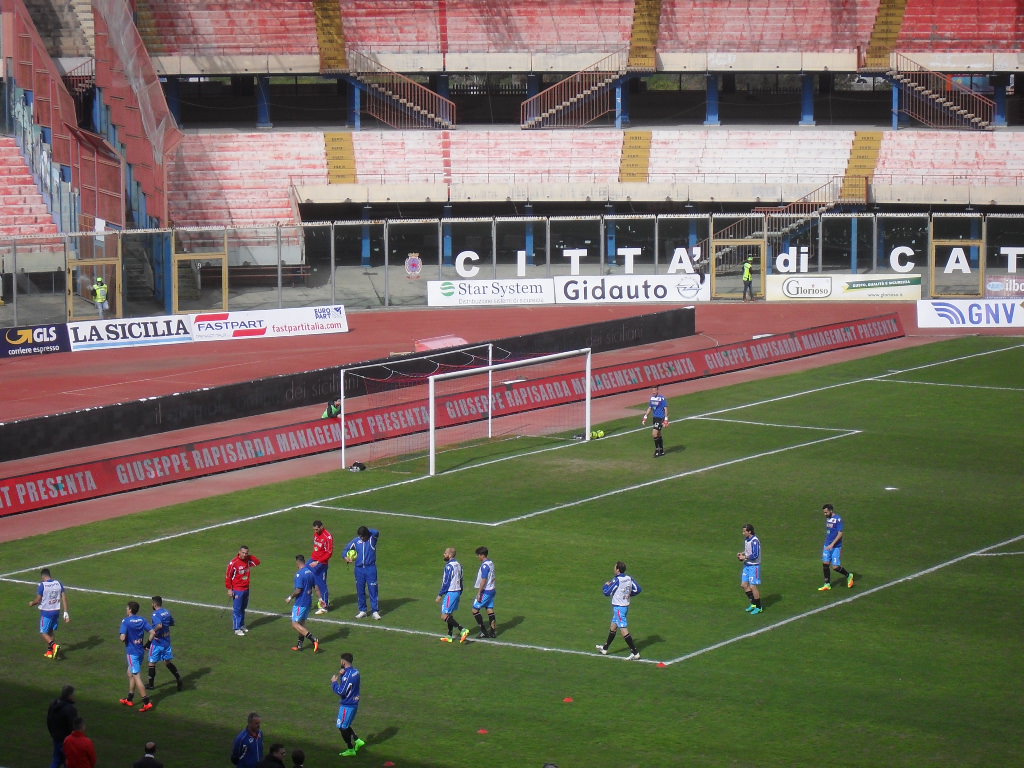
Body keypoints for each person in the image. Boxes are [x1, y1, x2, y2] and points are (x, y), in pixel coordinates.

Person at [595, 560, 642, 659]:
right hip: (624, 606)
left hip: (619, 608)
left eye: (615, 567)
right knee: (613, 627)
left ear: (618, 570)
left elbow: (606, 592)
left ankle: (635, 652)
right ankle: (605, 648)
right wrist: (629, 594)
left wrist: (606, 585)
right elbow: (638, 589)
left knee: (623, 629)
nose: (613, 568)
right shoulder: (629, 578)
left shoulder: (616, 580)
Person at [120, 600, 155, 711]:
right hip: (140, 651)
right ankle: (129, 699)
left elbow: (122, 638)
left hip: (132, 653)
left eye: (127, 608)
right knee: (130, 673)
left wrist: (123, 635)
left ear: (130, 610)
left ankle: (146, 702)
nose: (126, 609)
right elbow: (153, 632)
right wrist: (147, 645)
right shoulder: (142, 619)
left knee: (136, 676)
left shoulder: (126, 621)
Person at [29, 567, 70, 659]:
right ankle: (50, 652)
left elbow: (38, 600)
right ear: (50, 575)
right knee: (50, 631)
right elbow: (64, 597)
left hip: (46, 613)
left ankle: (54, 646)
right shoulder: (58, 583)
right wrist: (66, 612)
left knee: (43, 632)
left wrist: (32, 603)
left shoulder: (42, 585)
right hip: (56, 611)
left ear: (43, 576)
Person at [332, 652, 366, 758]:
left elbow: (341, 691)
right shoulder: (356, 672)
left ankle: (350, 749)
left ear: (343, 661)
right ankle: (357, 740)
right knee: (344, 725)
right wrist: (343, 674)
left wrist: (334, 682)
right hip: (353, 703)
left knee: (342, 727)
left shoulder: (347, 676)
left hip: (348, 705)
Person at [147, 595, 183, 692]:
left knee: (152, 662)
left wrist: (153, 631)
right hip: (166, 642)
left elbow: (159, 625)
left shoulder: (155, 614)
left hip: (157, 642)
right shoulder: (167, 611)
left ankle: (151, 685)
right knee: (167, 662)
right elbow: (172, 622)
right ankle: (178, 678)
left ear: (154, 604)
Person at [285, 554, 321, 653]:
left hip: (301, 603)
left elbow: (298, 590)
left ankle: (314, 639)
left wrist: (290, 597)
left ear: (297, 562)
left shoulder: (299, 574)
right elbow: (316, 587)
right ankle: (299, 645)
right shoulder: (310, 572)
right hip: (308, 603)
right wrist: (320, 599)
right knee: (301, 624)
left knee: (295, 624)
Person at [344, 526, 381, 620]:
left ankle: (375, 611)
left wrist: (368, 531)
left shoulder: (372, 539)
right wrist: (346, 557)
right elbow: (345, 550)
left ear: (367, 535)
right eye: (360, 536)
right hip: (359, 569)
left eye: (363, 536)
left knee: (373, 590)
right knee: (360, 590)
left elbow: (376, 531)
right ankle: (362, 611)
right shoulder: (356, 541)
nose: (362, 538)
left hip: (370, 568)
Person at [818, 503, 855, 591]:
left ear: (831, 511)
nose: (825, 514)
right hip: (827, 545)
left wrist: (832, 544)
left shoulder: (838, 519)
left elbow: (840, 533)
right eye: (824, 512)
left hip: (835, 547)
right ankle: (827, 584)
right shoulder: (828, 518)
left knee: (835, 567)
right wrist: (828, 543)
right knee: (825, 564)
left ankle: (849, 575)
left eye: (826, 512)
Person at [436, 546, 469, 643]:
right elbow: (462, 579)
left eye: (445, 553)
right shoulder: (459, 565)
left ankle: (462, 629)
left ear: (450, 555)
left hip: (451, 592)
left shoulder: (449, 566)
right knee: (449, 614)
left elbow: (446, 582)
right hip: (457, 591)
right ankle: (449, 636)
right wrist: (460, 592)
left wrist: (440, 595)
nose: (444, 554)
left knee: (444, 615)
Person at [226, 545, 261, 636]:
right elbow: (228, 576)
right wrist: (229, 589)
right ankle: (237, 628)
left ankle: (241, 625)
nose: (245, 555)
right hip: (237, 589)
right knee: (237, 609)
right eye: (243, 553)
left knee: (243, 608)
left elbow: (257, 562)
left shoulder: (247, 561)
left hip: (246, 588)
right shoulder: (233, 563)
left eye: (246, 553)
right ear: (239, 552)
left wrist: (249, 556)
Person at [46, 684, 77, 768]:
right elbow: (73, 726)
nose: (75, 696)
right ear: (69, 696)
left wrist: (52, 734)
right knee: (68, 762)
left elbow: (49, 720)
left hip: (56, 738)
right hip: (67, 741)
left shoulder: (53, 704)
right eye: (73, 694)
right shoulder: (70, 709)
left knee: (56, 760)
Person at [310, 519, 335, 615]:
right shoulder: (316, 534)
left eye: (316, 529)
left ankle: (325, 606)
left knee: (322, 584)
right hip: (313, 560)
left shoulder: (327, 537)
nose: (315, 531)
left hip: (322, 563)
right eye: (314, 529)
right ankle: (309, 599)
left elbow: (329, 553)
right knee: (304, 574)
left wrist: (318, 562)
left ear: (321, 527)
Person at [471, 546, 497, 639]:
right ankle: (493, 632)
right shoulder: (491, 563)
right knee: (489, 609)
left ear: (482, 555)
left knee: (474, 610)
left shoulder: (485, 565)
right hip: (492, 590)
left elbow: (484, 579)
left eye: (478, 555)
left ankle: (484, 631)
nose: (478, 557)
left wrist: (479, 592)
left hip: (486, 591)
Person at [738, 523, 763, 614]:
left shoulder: (755, 541)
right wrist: (742, 553)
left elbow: (755, 555)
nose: (743, 533)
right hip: (747, 565)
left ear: (749, 531)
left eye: (744, 531)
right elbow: (748, 551)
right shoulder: (747, 539)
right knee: (744, 585)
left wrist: (744, 557)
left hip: (754, 566)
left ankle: (759, 607)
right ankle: (753, 604)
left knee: (753, 586)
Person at [641, 386, 669, 458]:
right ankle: (662, 450)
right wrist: (645, 416)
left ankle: (657, 450)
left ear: (657, 390)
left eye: (654, 390)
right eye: (652, 390)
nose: (653, 392)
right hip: (655, 418)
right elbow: (650, 408)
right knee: (659, 434)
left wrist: (666, 419)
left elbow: (665, 408)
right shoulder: (652, 398)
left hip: (661, 418)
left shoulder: (661, 398)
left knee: (654, 434)